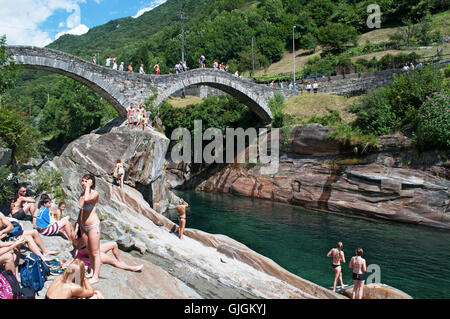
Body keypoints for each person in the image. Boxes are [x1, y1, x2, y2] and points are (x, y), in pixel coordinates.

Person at [72, 226, 143, 273]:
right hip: (94, 254)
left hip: (94, 250)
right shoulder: (84, 240)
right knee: (114, 262)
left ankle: (120, 260)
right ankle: (132, 268)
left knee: (114, 244)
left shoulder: (76, 236)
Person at [76, 174, 101, 284]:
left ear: (91, 183)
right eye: (82, 181)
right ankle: (92, 272)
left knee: (95, 252)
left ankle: (96, 276)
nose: (83, 183)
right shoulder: (81, 194)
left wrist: (88, 188)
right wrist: (78, 223)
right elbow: (81, 209)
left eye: (86, 181)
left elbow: (87, 199)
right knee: (90, 251)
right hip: (83, 226)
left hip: (93, 226)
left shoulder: (94, 194)